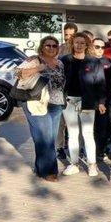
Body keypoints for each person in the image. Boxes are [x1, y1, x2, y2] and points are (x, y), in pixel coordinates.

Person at [17, 36, 66, 182]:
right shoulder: (34, 60)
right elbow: (18, 73)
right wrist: (38, 68)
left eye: (54, 46)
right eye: (48, 45)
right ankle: (50, 171)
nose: (51, 48)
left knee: (48, 138)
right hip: (36, 102)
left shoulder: (60, 63)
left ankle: (40, 168)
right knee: (45, 137)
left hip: (56, 103)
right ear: (42, 47)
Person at [60, 32, 107, 177]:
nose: (79, 45)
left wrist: (101, 102)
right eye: (76, 42)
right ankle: (74, 164)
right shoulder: (65, 60)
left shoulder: (93, 61)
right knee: (73, 134)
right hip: (69, 101)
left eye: (82, 43)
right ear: (72, 44)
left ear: (87, 45)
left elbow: (100, 83)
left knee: (88, 134)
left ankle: (92, 164)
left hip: (87, 102)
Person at [92, 38, 111, 164]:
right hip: (89, 101)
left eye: (102, 47)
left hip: (106, 100)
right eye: (97, 47)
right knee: (88, 129)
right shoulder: (86, 61)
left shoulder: (108, 62)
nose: (100, 50)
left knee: (103, 128)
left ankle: (100, 151)